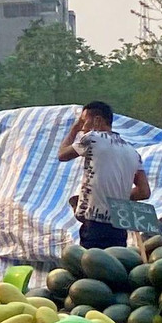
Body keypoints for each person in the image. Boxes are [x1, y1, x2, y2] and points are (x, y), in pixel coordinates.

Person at [57, 101, 151, 249]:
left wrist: (74, 130)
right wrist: (117, 198)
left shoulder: (93, 138)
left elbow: (62, 155)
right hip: (119, 227)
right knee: (114, 268)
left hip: (95, 226)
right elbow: (144, 192)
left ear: (97, 120)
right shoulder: (133, 152)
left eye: (83, 121)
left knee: (92, 267)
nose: (82, 128)